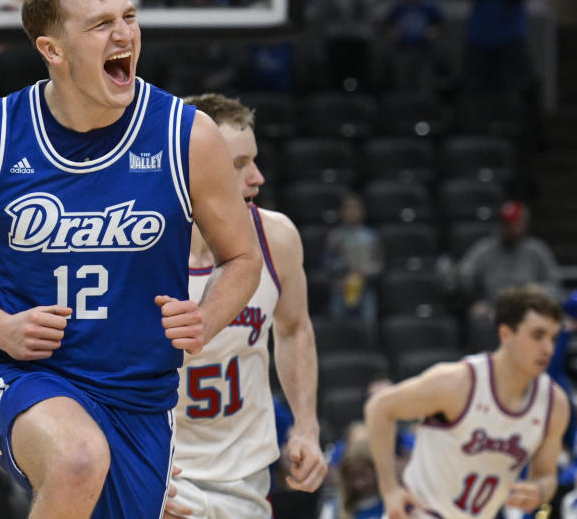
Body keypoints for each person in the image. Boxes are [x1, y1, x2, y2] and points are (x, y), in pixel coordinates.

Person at [0, 0, 263, 518]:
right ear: (52, 49)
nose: (123, 34)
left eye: (128, 17)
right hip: (27, 378)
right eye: (100, 24)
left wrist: (205, 318)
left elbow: (243, 257)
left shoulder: (186, 136)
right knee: (78, 459)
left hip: (140, 394)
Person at [165, 93, 327, 518]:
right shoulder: (138, 251)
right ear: (189, 170)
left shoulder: (277, 238)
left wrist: (306, 427)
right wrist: (130, 470)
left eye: (253, 160)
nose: (256, 177)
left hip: (247, 476)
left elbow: (294, 329)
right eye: (237, 165)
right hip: (166, 476)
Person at [364, 285, 569, 519]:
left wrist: (538, 492)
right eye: (537, 335)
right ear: (505, 334)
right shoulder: (458, 382)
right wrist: (389, 490)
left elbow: (546, 476)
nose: (548, 349)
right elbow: (379, 408)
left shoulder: (554, 403)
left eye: (553, 337)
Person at [458, 200, 563, 322]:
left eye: (513, 224)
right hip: (493, 310)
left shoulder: (536, 250)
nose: (508, 228)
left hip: (529, 311)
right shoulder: (484, 249)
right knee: (479, 317)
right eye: (505, 224)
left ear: (524, 225)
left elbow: (555, 285)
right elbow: (465, 276)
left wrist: (539, 293)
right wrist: (478, 302)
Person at [323, 192, 383, 345]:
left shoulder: (371, 236)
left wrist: (363, 271)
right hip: (340, 287)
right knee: (338, 326)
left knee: (368, 325)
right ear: (342, 212)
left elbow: (379, 265)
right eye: (348, 209)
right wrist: (343, 271)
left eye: (355, 209)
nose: (351, 212)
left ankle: (369, 351)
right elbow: (327, 263)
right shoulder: (335, 236)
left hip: (365, 287)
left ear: (362, 212)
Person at [384, 0, 444, 94]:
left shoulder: (429, 6)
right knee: (403, 84)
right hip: (403, 50)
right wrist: (392, 32)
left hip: (424, 50)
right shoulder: (398, 7)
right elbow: (387, 25)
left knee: (424, 85)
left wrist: (434, 32)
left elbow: (441, 25)